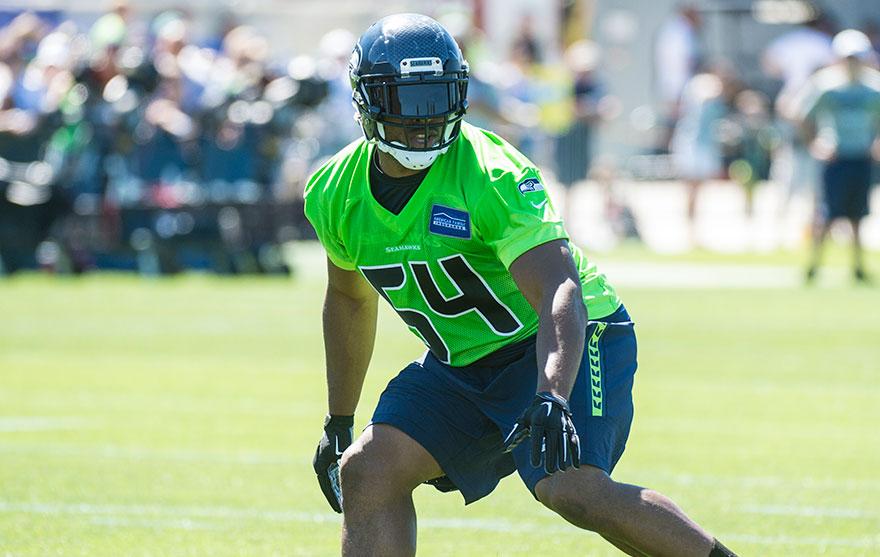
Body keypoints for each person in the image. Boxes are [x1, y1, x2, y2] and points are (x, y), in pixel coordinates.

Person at [305, 14, 737, 557]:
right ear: (365, 100)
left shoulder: (490, 172)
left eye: (437, 98)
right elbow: (347, 300)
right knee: (368, 469)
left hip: (565, 335)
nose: (424, 119)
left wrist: (552, 393)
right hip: (463, 362)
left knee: (570, 487)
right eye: (406, 100)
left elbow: (560, 287)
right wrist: (339, 418)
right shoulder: (333, 191)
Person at [795, 29, 880, 283]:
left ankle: (857, 266)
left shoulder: (873, 87)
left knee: (857, 214)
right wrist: (815, 143)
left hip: (861, 156)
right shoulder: (826, 85)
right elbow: (800, 113)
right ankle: (814, 265)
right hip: (835, 157)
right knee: (828, 212)